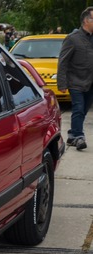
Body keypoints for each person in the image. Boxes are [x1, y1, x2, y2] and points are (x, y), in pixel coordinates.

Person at [57, 6, 93, 151]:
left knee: (83, 110)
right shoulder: (72, 39)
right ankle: (78, 137)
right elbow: (63, 62)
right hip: (76, 81)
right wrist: (62, 83)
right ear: (86, 20)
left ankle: (72, 135)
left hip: (90, 82)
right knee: (78, 108)